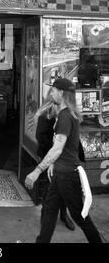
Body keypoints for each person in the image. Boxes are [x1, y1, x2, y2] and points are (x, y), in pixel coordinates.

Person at [25, 78, 102, 243]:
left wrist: (37, 171)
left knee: (80, 216)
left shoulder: (66, 116)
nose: (50, 93)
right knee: (49, 211)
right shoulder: (65, 113)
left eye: (53, 90)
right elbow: (61, 147)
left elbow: (58, 148)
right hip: (60, 173)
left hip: (67, 176)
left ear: (61, 93)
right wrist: (52, 163)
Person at [35, 99, 75, 231]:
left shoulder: (66, 115)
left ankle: (64, 215)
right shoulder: (45, 115)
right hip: (49, 156)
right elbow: (40, 138)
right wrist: (53, 154)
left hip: (64, 157)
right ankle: (45, 217)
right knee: (49, 188)